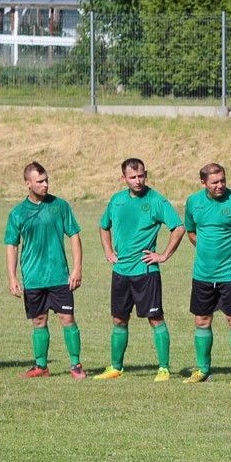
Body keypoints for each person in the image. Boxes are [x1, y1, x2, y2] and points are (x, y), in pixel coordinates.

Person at [95, 158, 185, 382]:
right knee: (118, 320)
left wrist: (163, 255)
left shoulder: (156, 201)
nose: (138, 181)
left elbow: (179, 228)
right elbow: (103, 226)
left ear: (146, 175)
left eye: (141, 176)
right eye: (133, 177)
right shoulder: (116, 201)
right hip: (121, 271)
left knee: (155, 319)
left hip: (146, 272)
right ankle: (116, 367)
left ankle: (164, 368)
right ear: (123, 178)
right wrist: (108, 251)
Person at [4, 162, 85, 379]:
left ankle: (76, 366)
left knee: (67, 319)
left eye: (46, 180)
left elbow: (75, 236)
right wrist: (12, 277)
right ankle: (41, 366)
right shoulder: (18, 213)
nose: (45, 184)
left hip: (59, 276)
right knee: (38, 321)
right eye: (40, 181)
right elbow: (12, 245)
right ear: (27, 184)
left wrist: (77, 269)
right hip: (33, 278)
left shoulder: (60, 206)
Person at [183, 163, 231, 385]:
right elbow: (190, 231)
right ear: (203, 183)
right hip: (203, 274)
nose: (220, 185)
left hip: (230, 275)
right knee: (201, 321)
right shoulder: (193, 202)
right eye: (214, 182)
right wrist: (206, 250)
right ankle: (202, 370)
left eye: (223, 180)